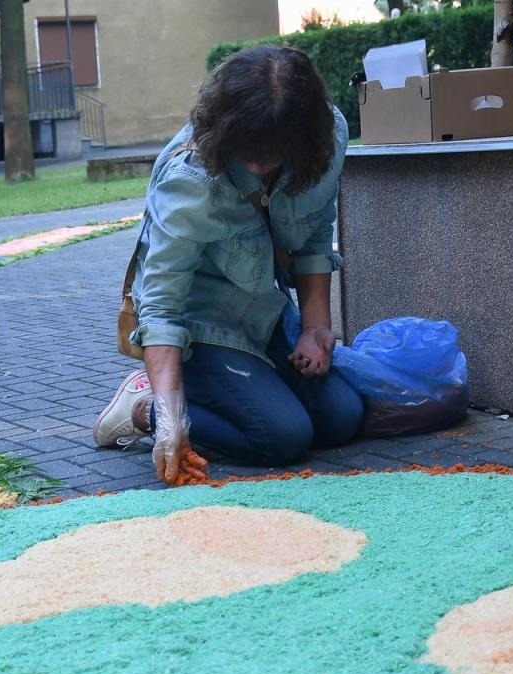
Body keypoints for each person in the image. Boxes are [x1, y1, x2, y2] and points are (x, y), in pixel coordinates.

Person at [92, 44, 364, 486]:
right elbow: (159, 305)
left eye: (273, 154)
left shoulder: (328, 135)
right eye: (247, 151)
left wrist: (316, 328)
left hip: (263, 313)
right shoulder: (189, 178)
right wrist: (171, 417)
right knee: (283, 436)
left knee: (342, 417)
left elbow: (316, 232)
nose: (257, 164)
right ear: (224, 127)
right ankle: (145, 406)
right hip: (200, 327)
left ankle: (223, 391)